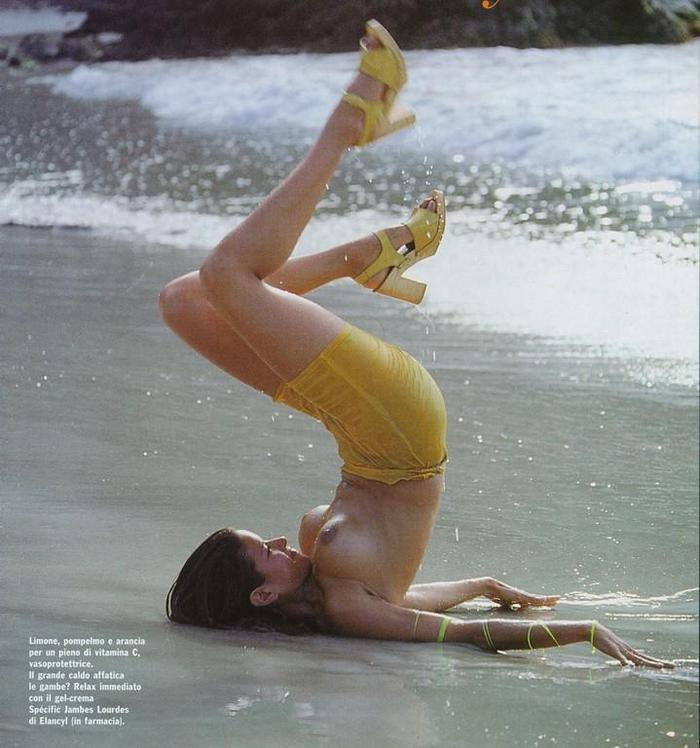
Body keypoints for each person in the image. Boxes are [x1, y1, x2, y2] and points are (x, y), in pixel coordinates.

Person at [160, 20, 672, 668]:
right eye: (264, 551)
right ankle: (348, 128)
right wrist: (585, 631)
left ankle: (366, 258)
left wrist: (484, 585)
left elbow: (418, 600)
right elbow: (462, 636)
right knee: (226, 276)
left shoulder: (335, 593)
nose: (279, 540)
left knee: (185, 301)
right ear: (263, 595)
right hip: (398, 428)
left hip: (357, 429)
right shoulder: (349, 611)